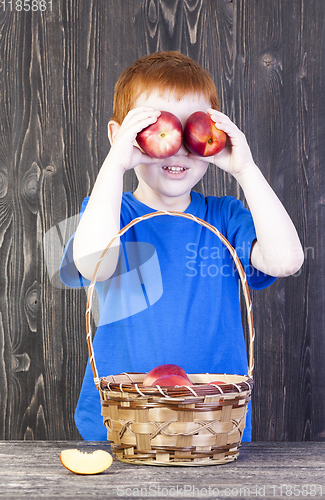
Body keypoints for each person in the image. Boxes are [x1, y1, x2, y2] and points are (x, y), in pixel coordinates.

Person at [60, 51, 304, 442]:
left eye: (193, 127)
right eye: (155, 125)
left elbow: (287, 260)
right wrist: (113, 164)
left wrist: (246, 169)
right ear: (119, 135)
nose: (176, 147)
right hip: (123, 419)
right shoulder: (110, 215)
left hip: (213, 421)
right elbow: (94, 265)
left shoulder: (225, 217)